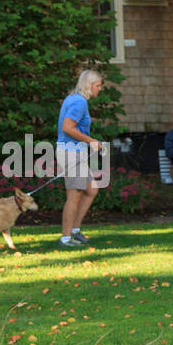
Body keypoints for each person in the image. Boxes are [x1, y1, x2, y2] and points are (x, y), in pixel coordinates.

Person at [55, 69, 108, 248]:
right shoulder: (79, 102)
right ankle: (66, 238)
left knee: (91, 190)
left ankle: (75, 231)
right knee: (74, 196)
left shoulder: (74, 98)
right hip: (71, 153)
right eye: (98, 86)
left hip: (75, 151)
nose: (99, 89)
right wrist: (91, 140)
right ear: (89, 85)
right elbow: (67, 128)